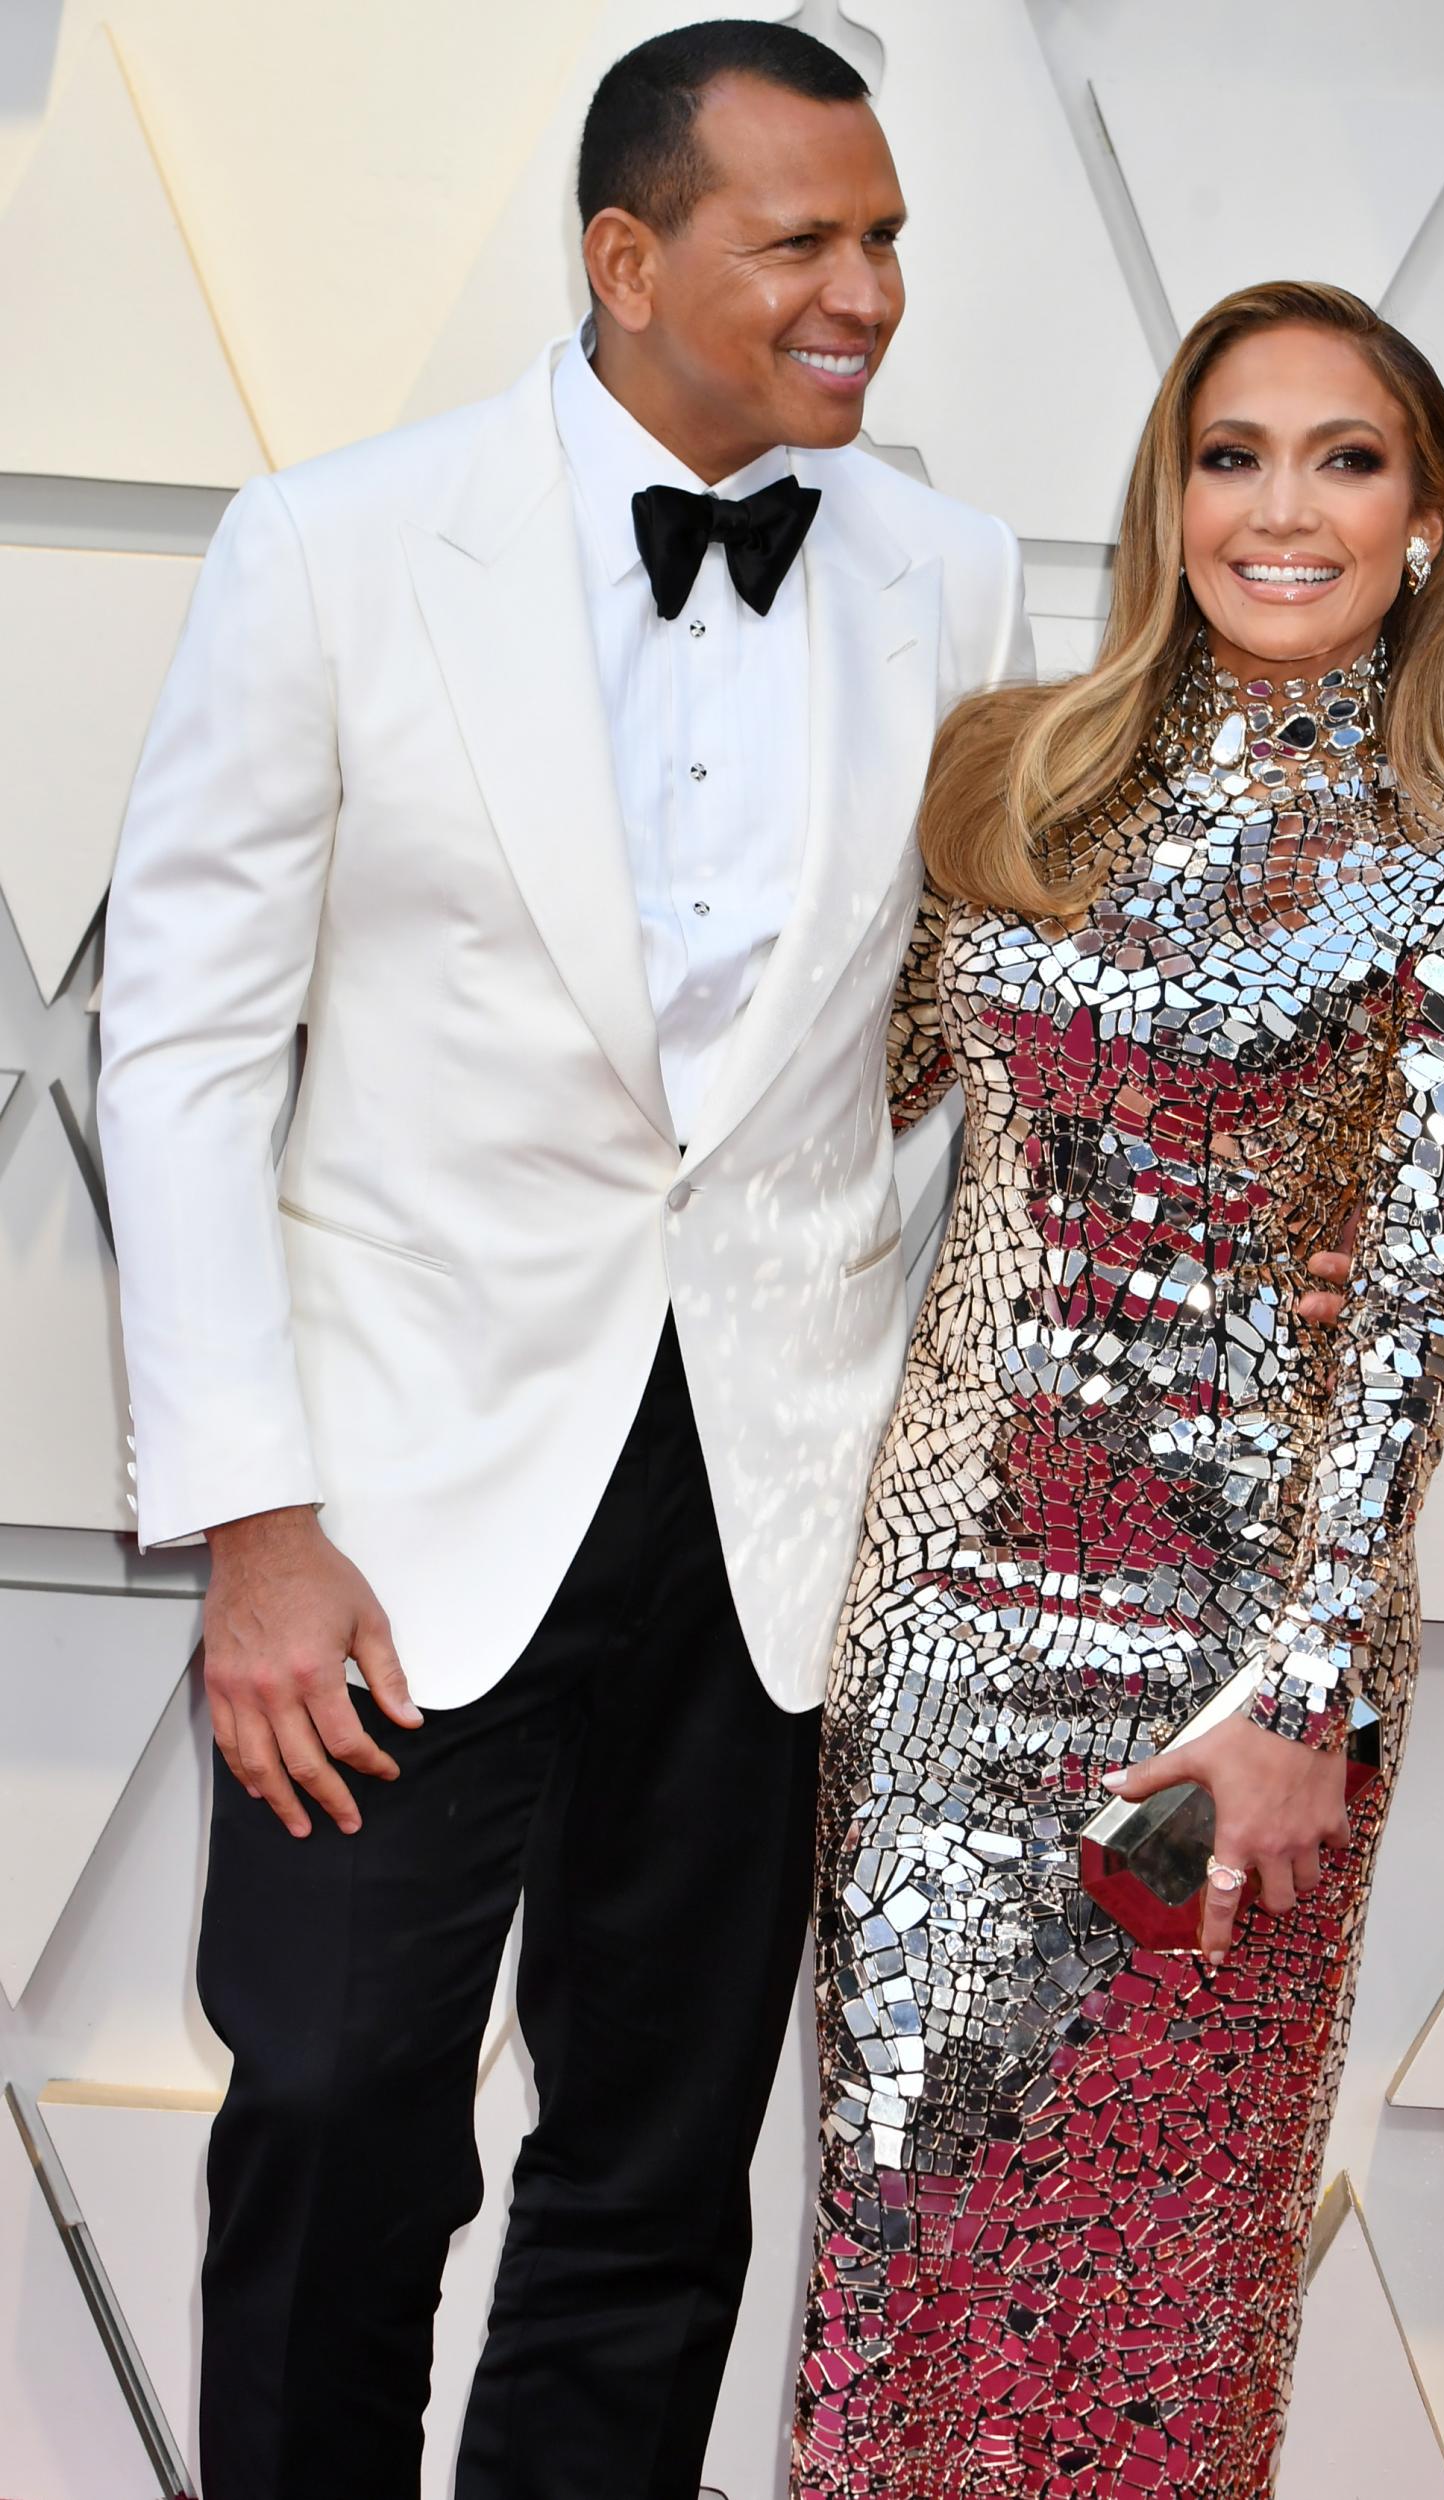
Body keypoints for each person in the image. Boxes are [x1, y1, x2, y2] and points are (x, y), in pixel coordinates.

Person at [96, 23, 1032, 2498]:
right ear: (626, 260)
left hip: (769, 1503)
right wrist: (252, 1520)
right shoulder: (333, 545)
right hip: (388, 1523)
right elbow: (183, 1055)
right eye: (807, 241)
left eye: (892, 237)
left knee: (653, 2168)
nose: (871, 294)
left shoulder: (949, 574)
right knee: (329, 2107)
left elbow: (921, 1033)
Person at [793, 280, 1444, 2498]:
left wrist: (1301, 1699)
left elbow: (1416, 1327)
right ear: (1169, 496)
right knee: (899, 2256)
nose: (1284, 507)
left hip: (1232, 1688)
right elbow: (828, 1128)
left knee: (1159, 2301)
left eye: (1348, 458)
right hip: (945, 1615)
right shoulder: (1008, 780)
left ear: (1427, 524)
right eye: (1235, 453)